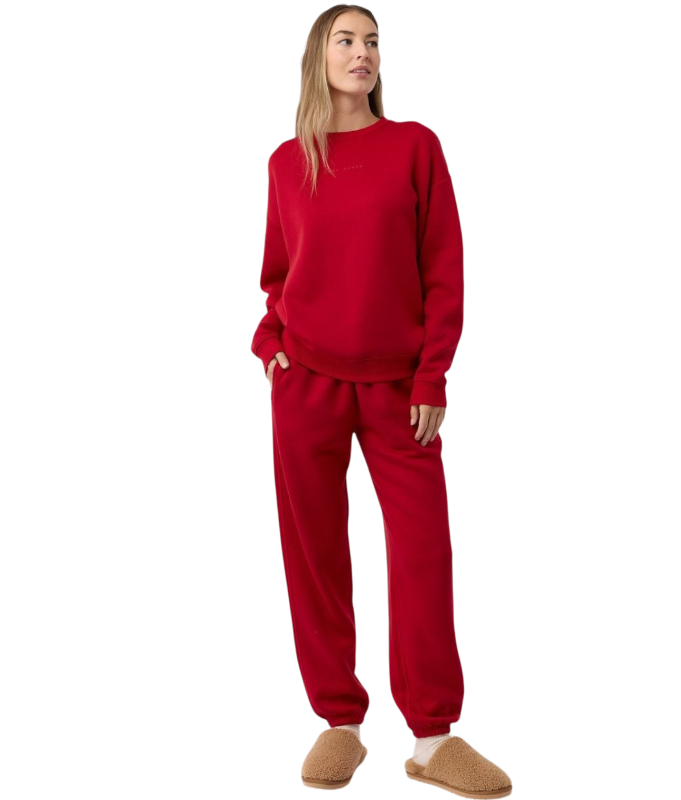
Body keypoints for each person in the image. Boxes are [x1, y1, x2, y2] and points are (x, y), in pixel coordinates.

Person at [250, 4, 512, 796]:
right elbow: (277, 273)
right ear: (317, 59)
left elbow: (444, 265)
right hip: (306, 384)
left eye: (371, 41)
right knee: (315, 555)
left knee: (423, 552)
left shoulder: (415, 146)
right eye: (345, 40)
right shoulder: (286, 161)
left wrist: (433, 374)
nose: (362, 52)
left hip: (401, 389)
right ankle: (340, 722)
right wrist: (270, 344)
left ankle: (433, 737)